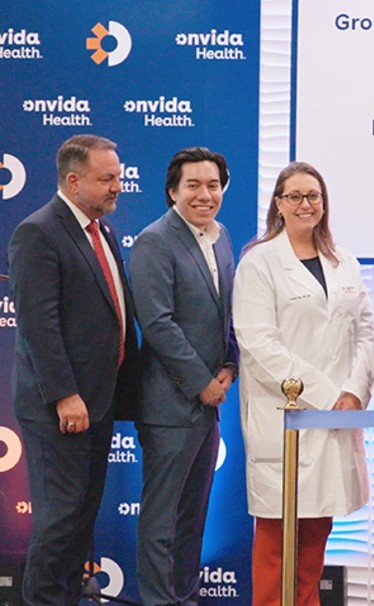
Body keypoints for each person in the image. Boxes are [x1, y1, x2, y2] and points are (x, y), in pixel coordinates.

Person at [233, 161, 374, 606]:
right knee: (278, 543)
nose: (304, 204)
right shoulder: (259, 263)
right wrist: (327, 395)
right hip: (286, 420)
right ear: (278, 204)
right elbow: (259, 344)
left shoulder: (344, 262)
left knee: (316, 538)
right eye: (294, 196)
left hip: (336, 420)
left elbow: (367, 333)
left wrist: (353, 392)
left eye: (313, 195)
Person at [7, 133, 140, 604]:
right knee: (60, 519)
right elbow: (39, 326)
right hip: (62, 408)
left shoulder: (101, 230)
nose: (117, 187)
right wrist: (65, 394)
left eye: (118, 177)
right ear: (73, 180)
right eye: (107, 179)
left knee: (81, 519)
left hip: (98, 402)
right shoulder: (38, 232)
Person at [129, 147, 238, 606]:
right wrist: (202, 382)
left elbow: (228, 312)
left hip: (208, 404)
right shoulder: (156, 240)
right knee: (161, 522)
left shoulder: (221, 236)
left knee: (193, 519)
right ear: (173, 190)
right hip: (170, 406)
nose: (204, 194)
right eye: (193, 185)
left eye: (212, 185)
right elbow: (157, 323)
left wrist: (230, 365)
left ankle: (186, 599)